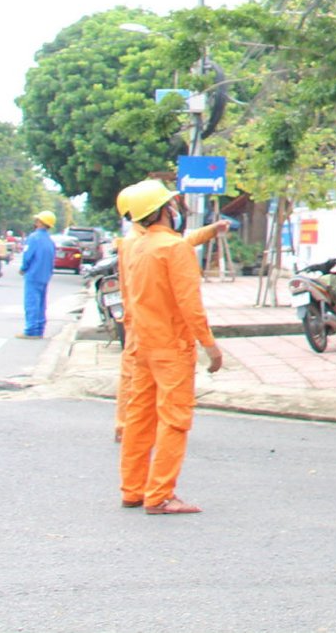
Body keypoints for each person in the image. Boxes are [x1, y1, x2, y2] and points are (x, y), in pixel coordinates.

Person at [118, 182, 223, 514]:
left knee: (138, 418)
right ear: (166, 210)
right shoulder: (173, 249)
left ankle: (133, 490)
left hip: (141, 346)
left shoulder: (131, 246)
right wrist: (210, 345)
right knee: (174, 420)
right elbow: (189, 304)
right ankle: (160, 495)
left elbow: (126, 298)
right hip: (171, 347)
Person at [17, 211, 56, 336]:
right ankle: (39, 328)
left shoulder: (33, 237)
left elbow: (28, 255)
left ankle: (31, 330)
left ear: (40, 222)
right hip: (45, 275)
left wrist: (23, 268)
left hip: (33, 274)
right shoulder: (50, 240)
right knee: (41, 303)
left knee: (31, 302)